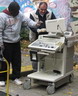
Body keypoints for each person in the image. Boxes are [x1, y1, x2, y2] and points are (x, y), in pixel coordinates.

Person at [0, 1, 41, 86]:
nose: (16, 14)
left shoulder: (19, 14)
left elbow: (28, 21)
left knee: (17, 61)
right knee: (4, 62)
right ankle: (2, 78)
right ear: (10, 11)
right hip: (6, 42)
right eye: (14, 13)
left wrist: (36, 24)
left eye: (17, 12)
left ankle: (15, 77)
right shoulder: (2, 16)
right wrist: (1, 44)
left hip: (16, 41)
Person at [29, 2, 56, 72]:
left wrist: (50, 31)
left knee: (46, 54)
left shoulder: (50, 13)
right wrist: (38, 30)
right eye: (41, 9)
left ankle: (45, 70)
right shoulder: (32, 14)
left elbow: (55, 22)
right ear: (38, 8)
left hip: (47, 38)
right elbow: (31, 25)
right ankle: (35, 70)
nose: (43, 11)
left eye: (45, 9)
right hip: (35, 37)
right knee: (35, 54)